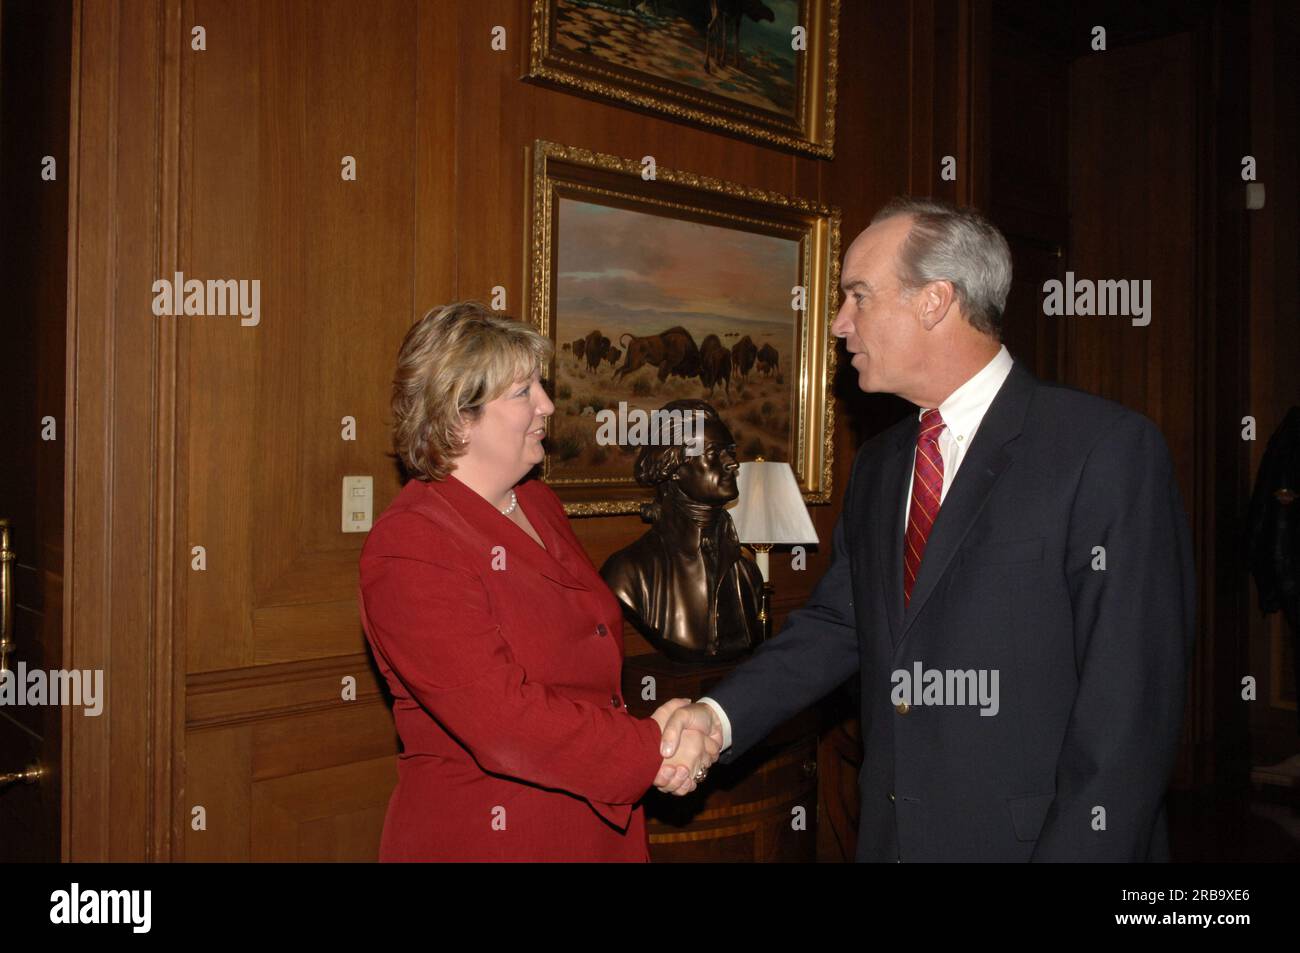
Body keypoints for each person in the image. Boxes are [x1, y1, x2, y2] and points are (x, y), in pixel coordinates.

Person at [660, 197, 1197, 861]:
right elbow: (838, 624)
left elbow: (1129, 718)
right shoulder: (882, 465)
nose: (839, 323)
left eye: (858, 296)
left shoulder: (1103, 450)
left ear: (935, 300)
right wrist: (716, 718)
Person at [359, 301, 721, 861]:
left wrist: (660, 729)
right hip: (494, 836)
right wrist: (651, 748)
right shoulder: (413, 544)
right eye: (523, 392)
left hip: (594, 823)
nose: (547, 406)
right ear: (459, 417)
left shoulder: (537, 502)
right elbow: (502, 719)